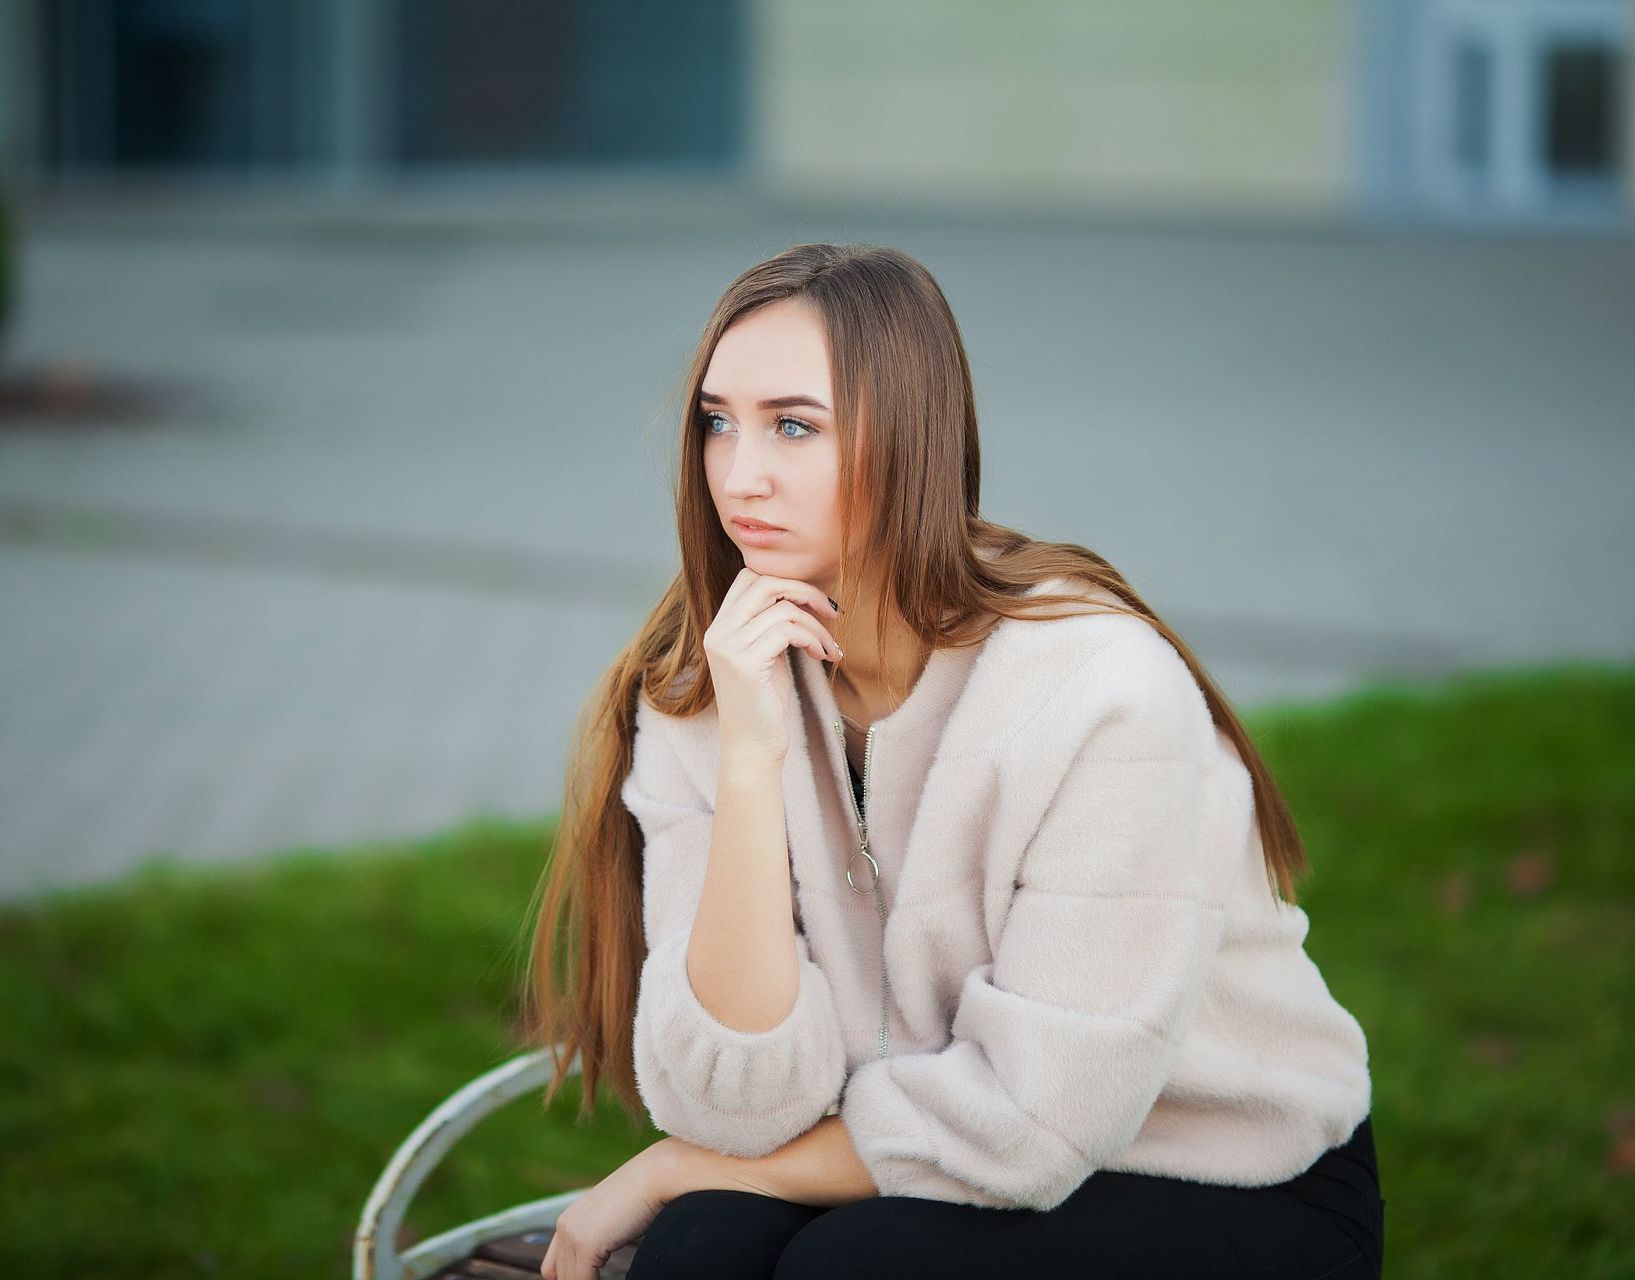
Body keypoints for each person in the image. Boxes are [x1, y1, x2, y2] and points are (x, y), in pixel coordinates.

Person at [521, 243, 1385, 1280]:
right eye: (718, 420)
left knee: (851, 1266)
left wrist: (666, 1168)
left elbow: (1032, 1119)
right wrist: (752, 758)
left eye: (794, 424)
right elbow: (732, 1105)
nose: (738, 474)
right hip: (932, 1139)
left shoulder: (1099, 691)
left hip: (1225, 1172)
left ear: (909, 442)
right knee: (701, 1251)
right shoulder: (717, 681)